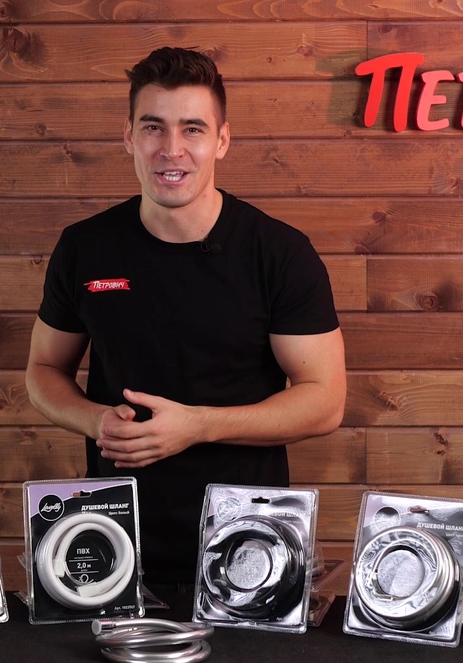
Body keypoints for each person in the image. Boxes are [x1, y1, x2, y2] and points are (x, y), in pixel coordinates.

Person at [25, 47, 346, 588]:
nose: (171, 149)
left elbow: (325, 401)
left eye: (192, 129)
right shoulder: (85, 248)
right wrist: (95, 421)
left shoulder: (279, 253)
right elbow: (43, 370)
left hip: (248, 543)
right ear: (128, 135)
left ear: (222, 139)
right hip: (112, 540)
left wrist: (198, 426)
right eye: (153, 127)